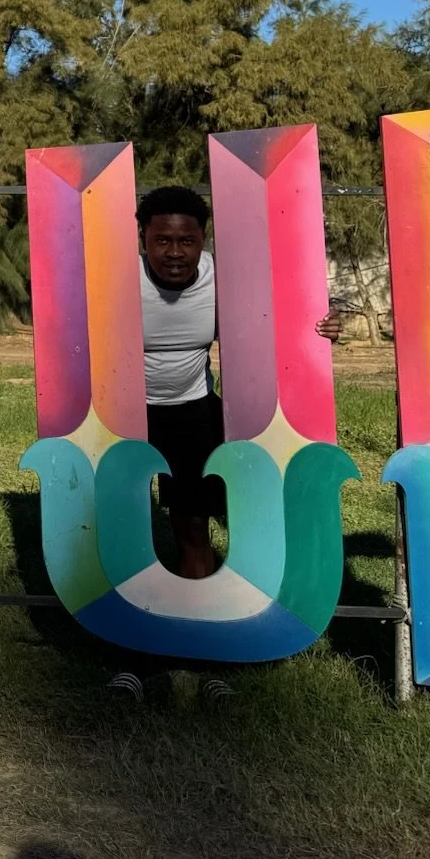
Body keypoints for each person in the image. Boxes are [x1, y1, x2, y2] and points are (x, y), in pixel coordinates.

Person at [135, 186, 342, 579]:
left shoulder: (223, 278)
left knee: (192, 525)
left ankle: (199, 620)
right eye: (161, 240)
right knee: (118, 526)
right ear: (142, 238)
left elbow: (282, 322)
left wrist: (323, 328)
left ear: (203, 240)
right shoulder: (119, 281)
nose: (175, 253)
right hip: (124, 413)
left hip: (191, 411)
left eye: (187, 241)